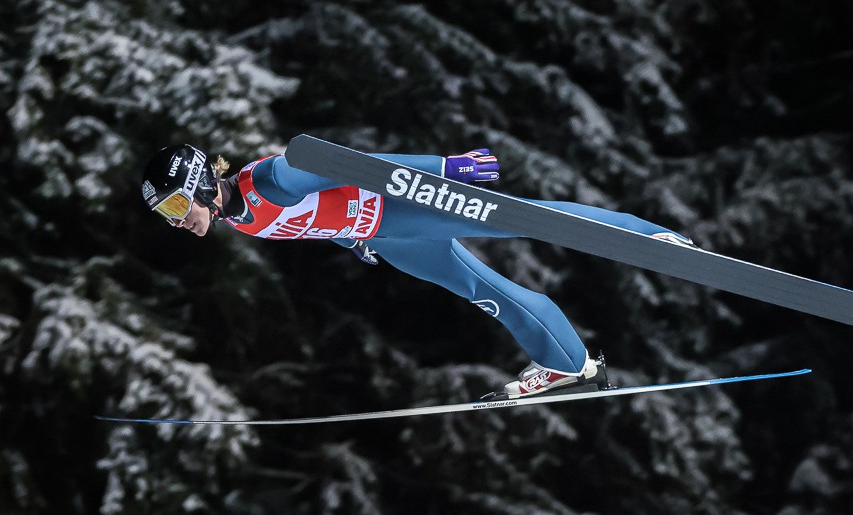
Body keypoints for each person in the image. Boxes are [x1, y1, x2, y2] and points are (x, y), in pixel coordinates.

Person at [140, 144, 694, 398]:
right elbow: (316, 218)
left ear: (200, 184)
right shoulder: (242, 218)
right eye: (167, 215)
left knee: (529, 220)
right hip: (387, 238)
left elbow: (356, 166)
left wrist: (445, 168)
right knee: (482, 290)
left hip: (405, 208)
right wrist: (352, 239)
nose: (177, 221)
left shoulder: (272, 180)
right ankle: (569, 364)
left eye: (175, 205)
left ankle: (650, 237)